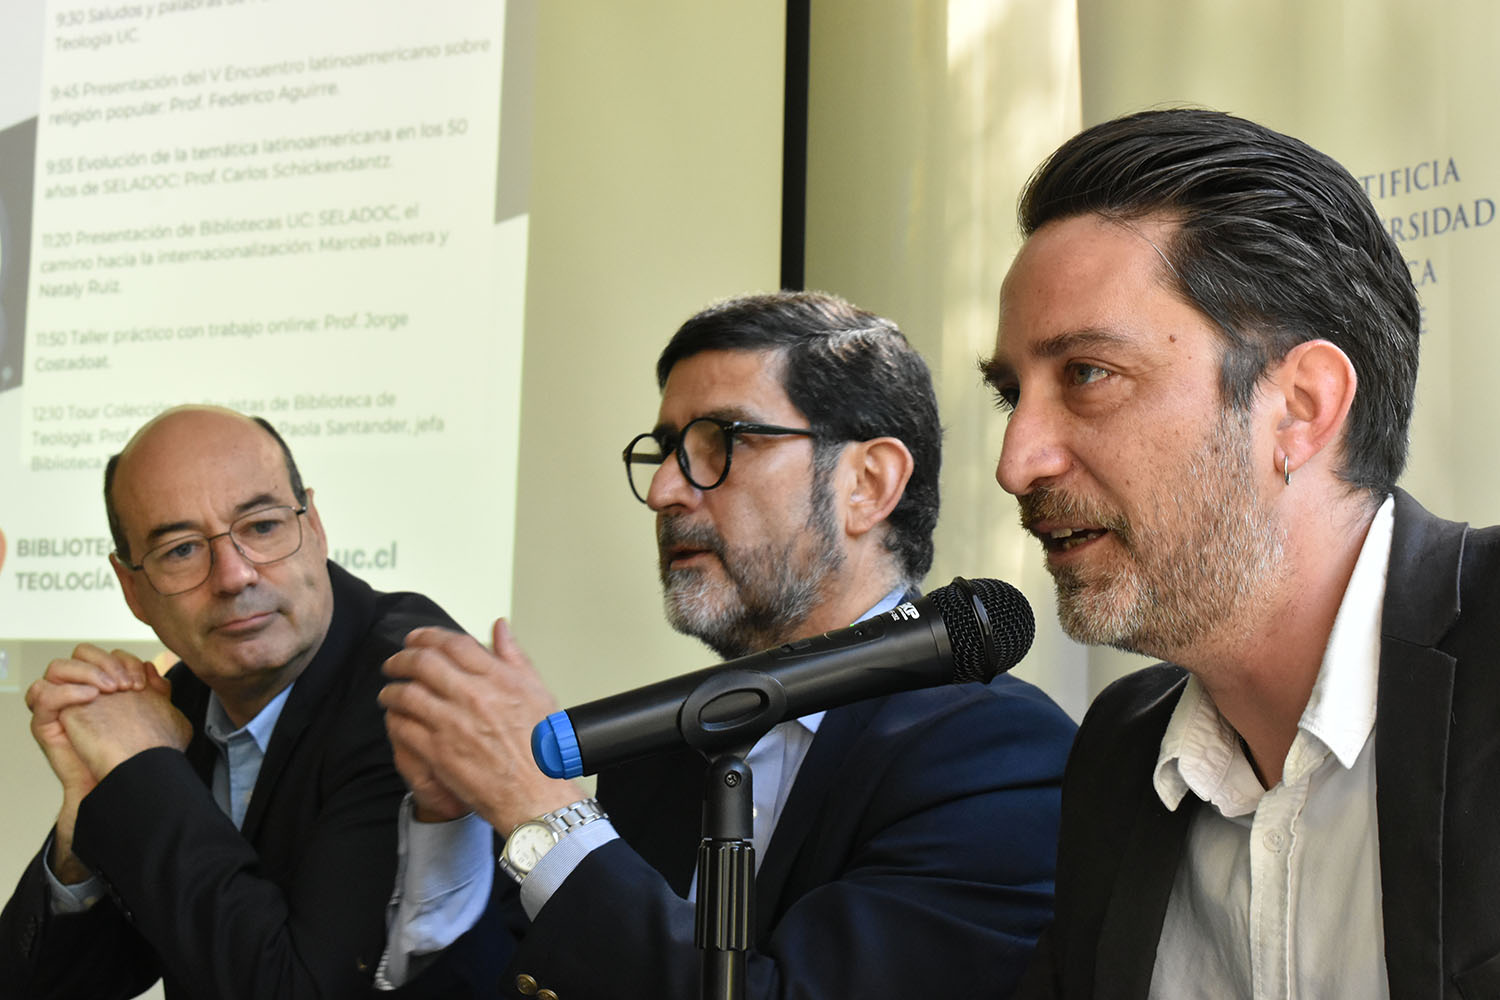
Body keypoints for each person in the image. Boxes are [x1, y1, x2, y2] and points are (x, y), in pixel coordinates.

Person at [378, 290, 1077, 999]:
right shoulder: (669, 743)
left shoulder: (997, 754)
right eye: (665, 450)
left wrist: (541, 811)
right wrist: (452, 816)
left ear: (868, 484)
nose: (663, 491)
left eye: (722, 442)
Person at [983, 108, 1500, 998]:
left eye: (1087, 375)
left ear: (1301, 407)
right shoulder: (1117, 755)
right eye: (1010, 396)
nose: (1017, 459)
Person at [0, 406, 508, 999]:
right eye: (182, 550)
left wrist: (143, 772)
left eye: (263, 526)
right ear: (132, 588)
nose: (235, 575)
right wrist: (84, 824)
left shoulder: (409, 688)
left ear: (314, 526)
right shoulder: (181, 699)